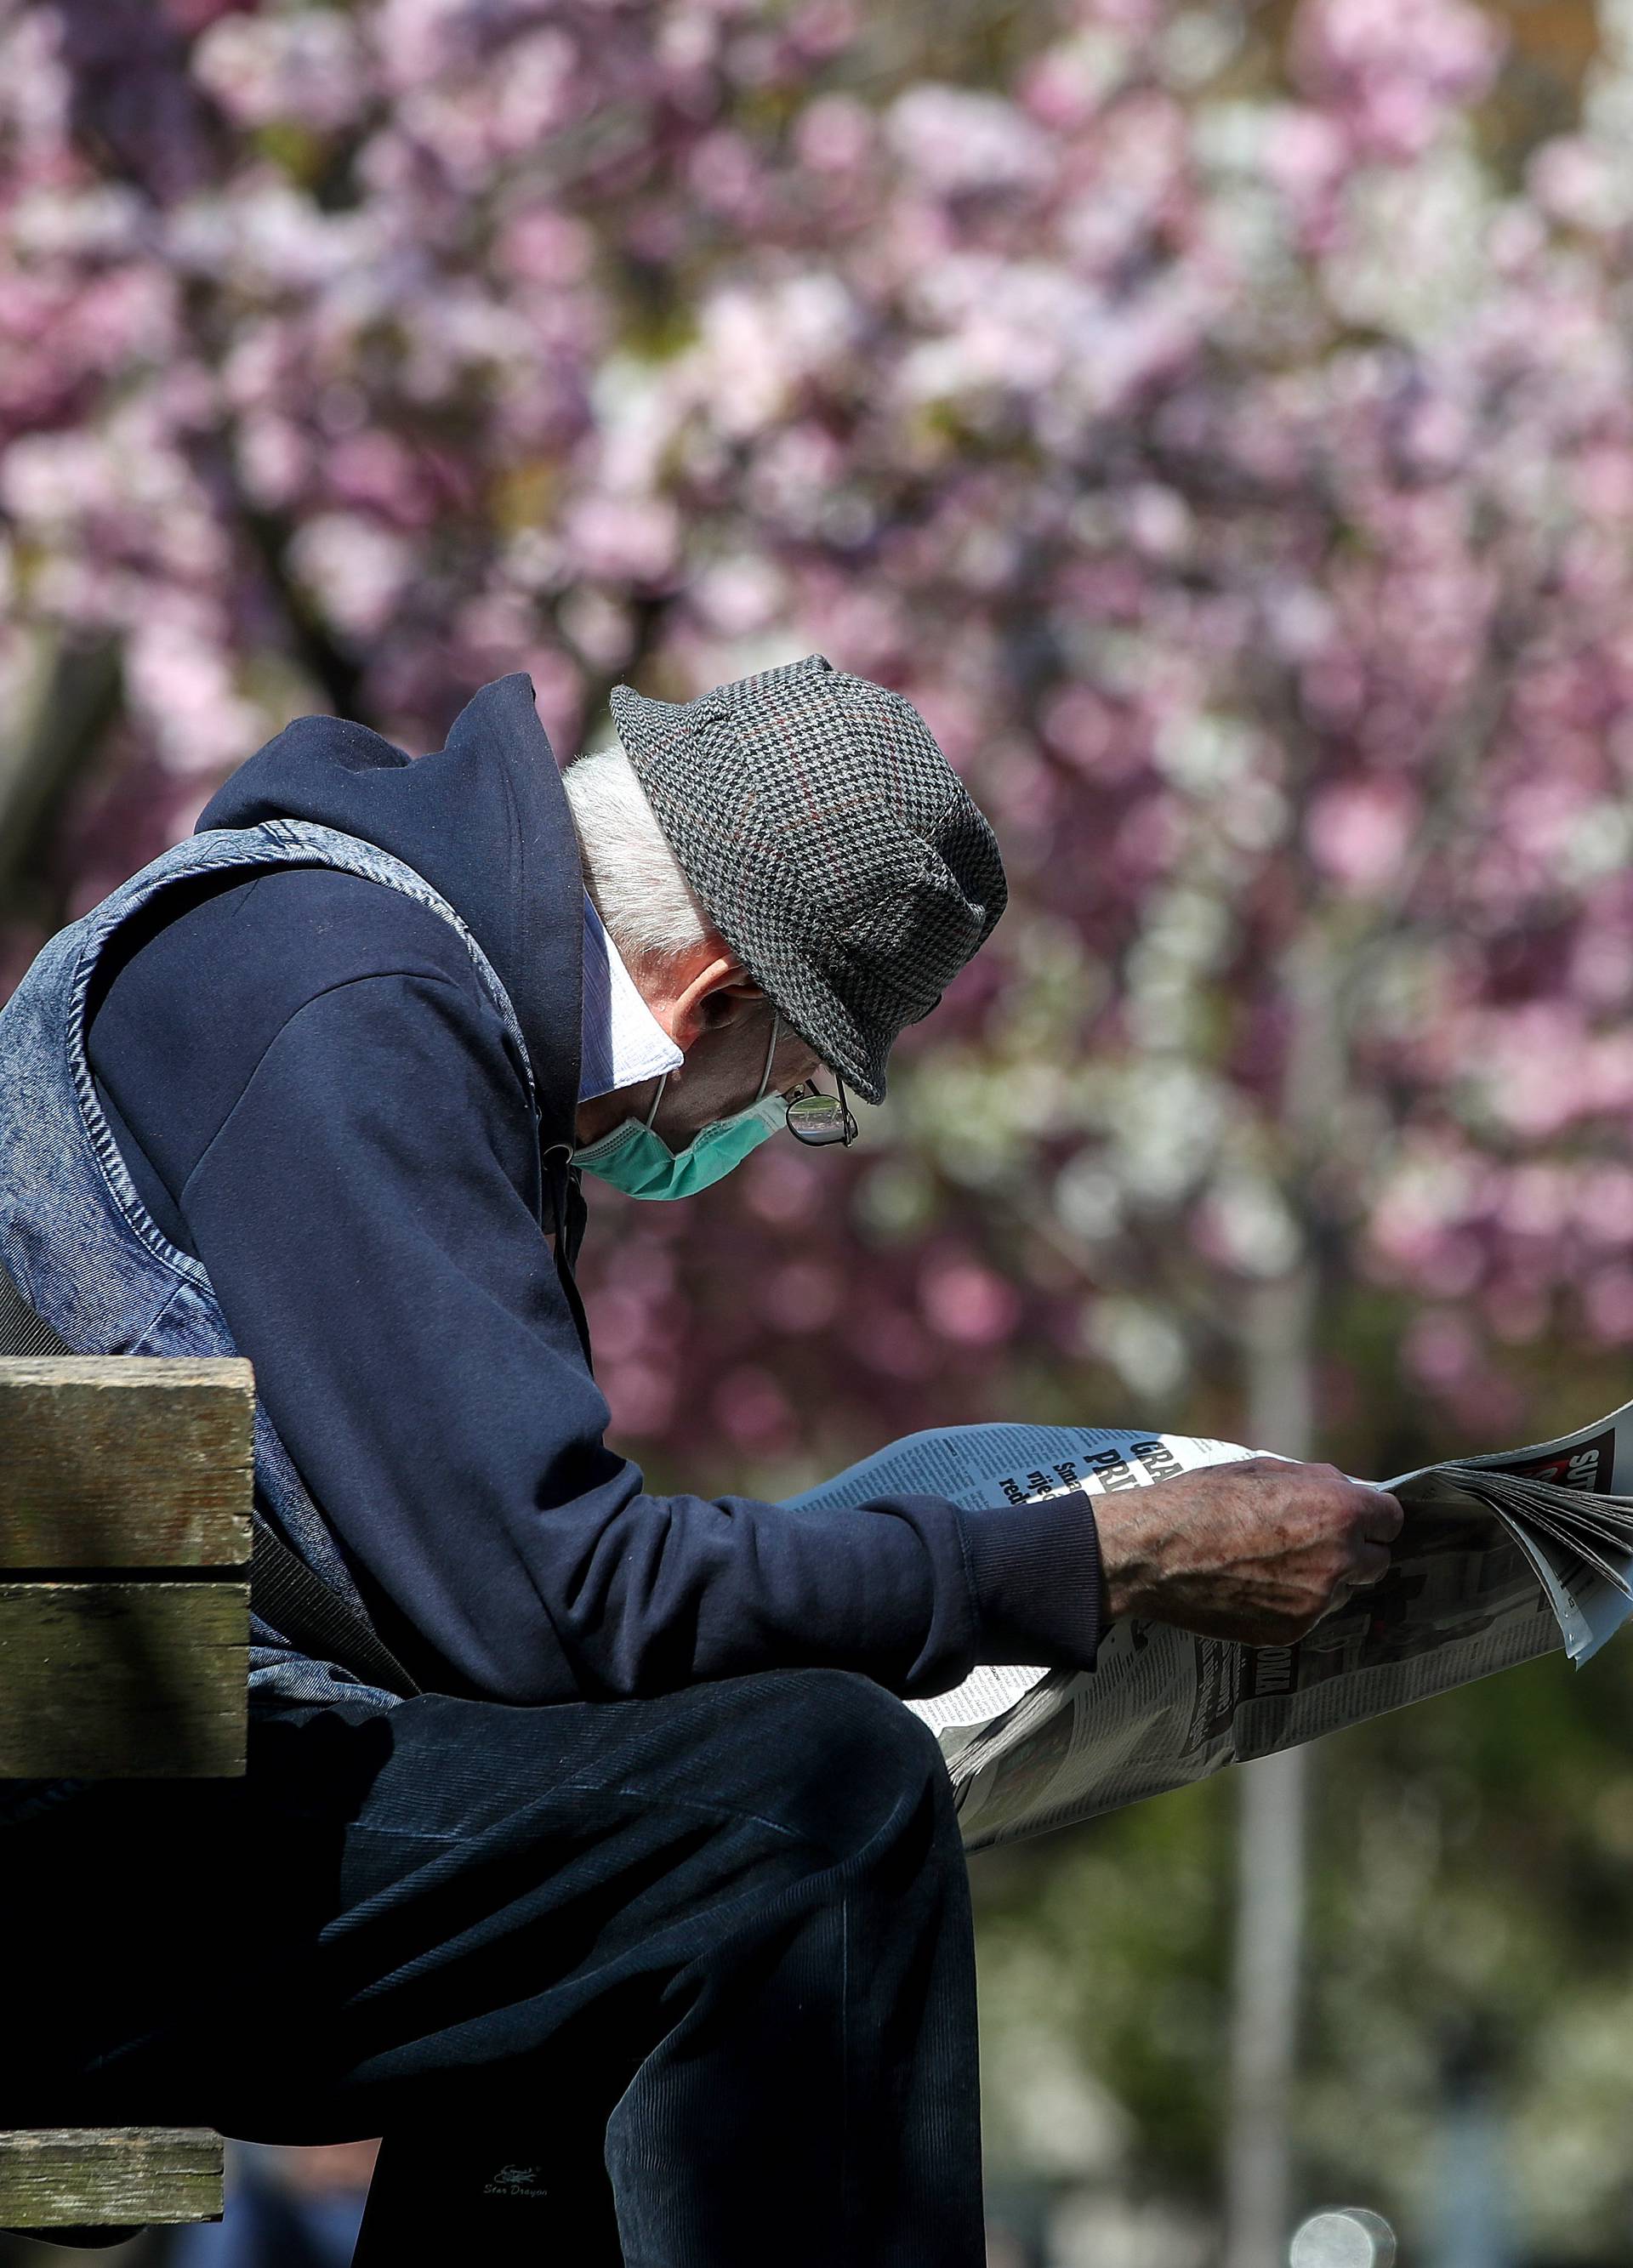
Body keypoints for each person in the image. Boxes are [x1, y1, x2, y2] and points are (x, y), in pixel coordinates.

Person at [0, 653, 1401, 2265]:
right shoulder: (355, 1005)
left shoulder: (389, 982)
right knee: (808, 1803)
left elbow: (513, 1616)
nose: (769, 1121)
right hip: (77, 1822)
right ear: (715, 995)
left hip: (158, 1765)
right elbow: (552, 1604)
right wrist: (1109, 1554)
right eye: (795, 1090)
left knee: (652, 1824)